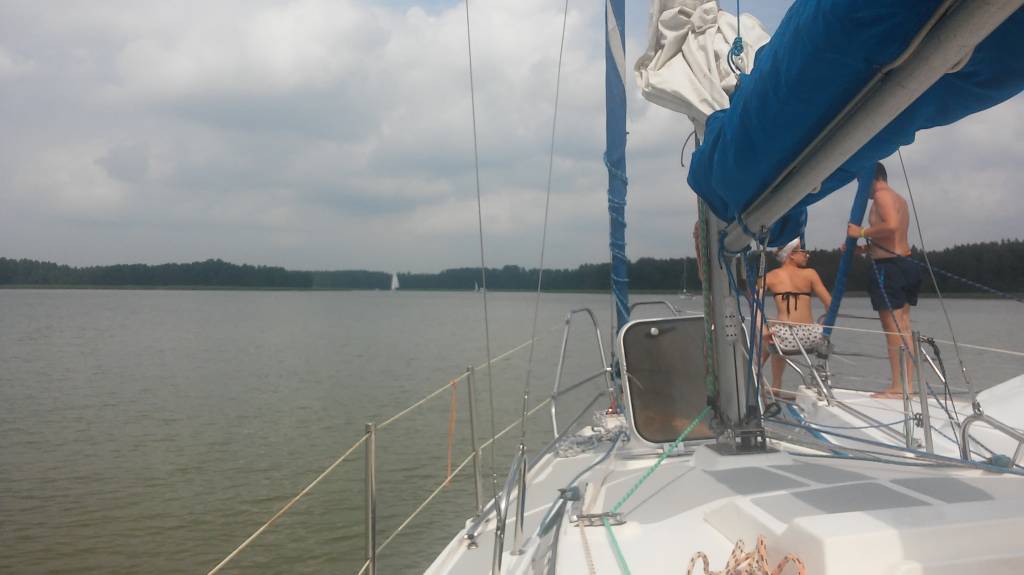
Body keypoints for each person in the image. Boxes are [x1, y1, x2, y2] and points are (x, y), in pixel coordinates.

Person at [847, 162, 922, 398]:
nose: (862, 190)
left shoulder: (882, 196)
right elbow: (893, 236)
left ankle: (898, 386)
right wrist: (863, 249)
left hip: (889, 269)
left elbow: (891, 226)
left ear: (872, 177)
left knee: (893, 329)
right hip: (904, 263)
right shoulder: (899, 198)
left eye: (861, 182)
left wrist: (860, 232)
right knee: (904, 327)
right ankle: (907, 385)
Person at [760, 238, 832, 394]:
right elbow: (830, 304)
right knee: (774, 329)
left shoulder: (770, 277)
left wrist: (764, 328)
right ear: (791, 255)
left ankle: (764, 377)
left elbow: (754, 303)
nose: (807, 255)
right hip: (813, 337)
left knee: (770, 331)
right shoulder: (811, 274)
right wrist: (824, 325)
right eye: (803, 251)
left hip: (785, 339)